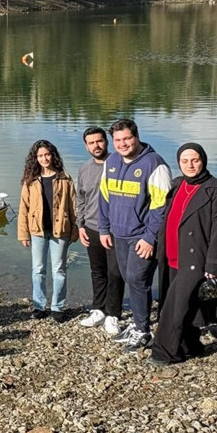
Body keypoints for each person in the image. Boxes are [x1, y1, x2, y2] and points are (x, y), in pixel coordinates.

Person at [151, 144, 217, 366]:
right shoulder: (177, 185)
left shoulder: (215, 189)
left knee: (174, 308)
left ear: (203, 160)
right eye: (184, 161)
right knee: (186, 303)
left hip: (195, 258)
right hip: (171, 255)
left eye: (194, 160)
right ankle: (190, 345)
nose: (190, 165)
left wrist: (214, 264)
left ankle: (164, 352)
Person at [99, 118, 172, 353]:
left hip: (142, 236)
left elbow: (161, 206)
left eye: (127, 138)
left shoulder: (155, 164)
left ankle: (143, 331)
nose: (123, 144)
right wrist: (103, 228)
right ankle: (138, 323)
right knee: (129, 278)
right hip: (118, 233)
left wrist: (151, 237)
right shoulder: (111, 161)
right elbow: (104, 198)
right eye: (118, 140)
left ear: (136, 137)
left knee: (137, 279)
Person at [17, 140, 78, 321]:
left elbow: (74, 206)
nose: (44, 158)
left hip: (61, 231)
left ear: (53, 156)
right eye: (41, 155)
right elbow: (23, 208)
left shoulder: (65, 178)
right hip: (37, 231)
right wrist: (23, 233)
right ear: (35, 158)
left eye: (47, 154)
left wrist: (75, 231)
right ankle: (39, 306)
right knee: (38, 269)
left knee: (59, 270)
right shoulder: (30, 181)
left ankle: (58, 307)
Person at [76, 127, 125, 335]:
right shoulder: (84, 169)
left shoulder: (119, 164)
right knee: (97, 271)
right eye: (91, 143)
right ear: (86, 146)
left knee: (115, 272)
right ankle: (98, 309)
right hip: (92, 227)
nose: (96, 146)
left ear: (106, 142)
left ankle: (113, 314)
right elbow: (80, 198)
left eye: (99, 141)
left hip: (116, 229)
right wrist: (80, 225)